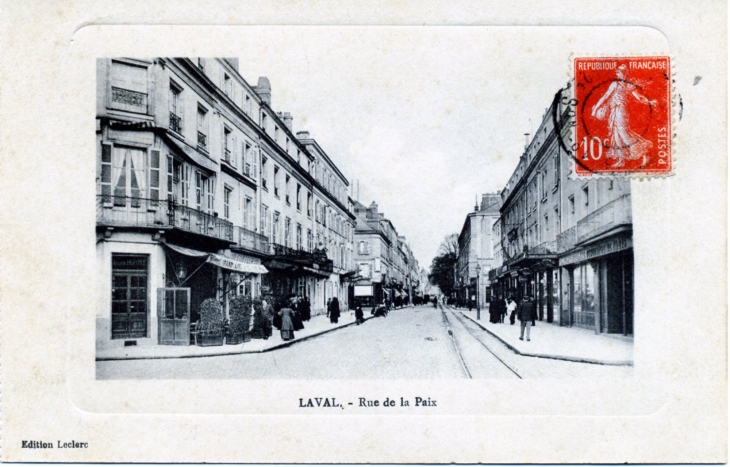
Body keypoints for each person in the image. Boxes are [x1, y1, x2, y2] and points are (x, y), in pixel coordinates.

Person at [591, 64, 657, 167]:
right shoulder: (615, 84)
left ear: (624, 74)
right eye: (617, 72)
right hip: (614, 111)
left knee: (624, 134)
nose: (618, 74)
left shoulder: (628, 85)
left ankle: (644, 153)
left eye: (620, 72)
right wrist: (595, 109)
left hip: (621, 111)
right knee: (616, 134)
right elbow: (605, 97)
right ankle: (621, 160)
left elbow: (639, 97)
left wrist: (649, 102)